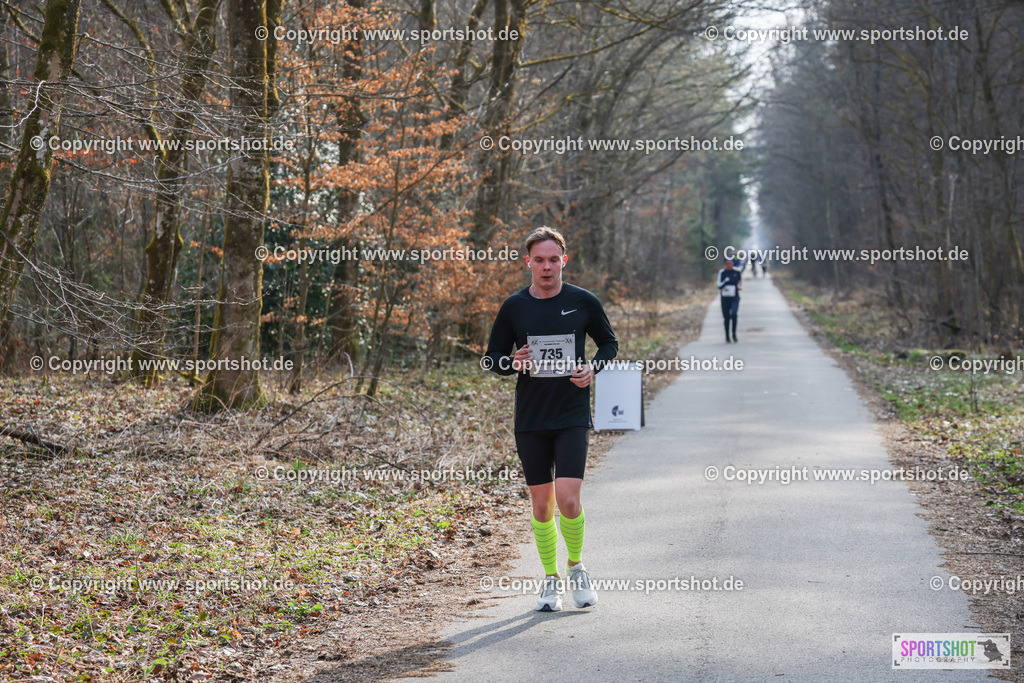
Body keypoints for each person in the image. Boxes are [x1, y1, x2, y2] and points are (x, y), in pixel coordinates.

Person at [483, 226, 618, 612]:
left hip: (571, 413)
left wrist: (593, 368)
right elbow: (491, 359)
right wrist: (512, 362)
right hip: (531, 418)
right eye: (539, 260)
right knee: (542, 505)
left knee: (569, 498)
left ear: (564, 261)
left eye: (553, 259)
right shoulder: (514, 306)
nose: (546, 267)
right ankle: (550, 579)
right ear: (529, 262)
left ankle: (576, 567)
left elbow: (609, 343)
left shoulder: (583, 301)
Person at [717, 256, 741, 343]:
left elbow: (739, 282)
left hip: (734, 297)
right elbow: (719, 286)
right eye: (728, 263)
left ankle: (734, 334)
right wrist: (725, 282)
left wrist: (739, 287)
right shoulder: (722, 272)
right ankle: (727, 336)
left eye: (731, 263)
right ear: (725, 264)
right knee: (726, 317)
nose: (729, 265)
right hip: (725, 298)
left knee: (734, 314)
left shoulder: (737, 272)